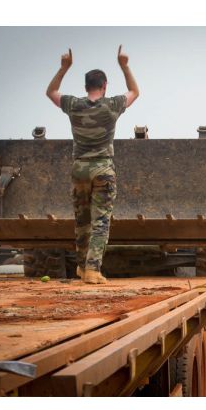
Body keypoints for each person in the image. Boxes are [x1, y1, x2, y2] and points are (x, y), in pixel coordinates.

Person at [46, 46, 139, 284]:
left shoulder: (73, 105)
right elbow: (134, 91)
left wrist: (64, 67)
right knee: (100, 222)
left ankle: (80, 266)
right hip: (102, 170)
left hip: (79, 169)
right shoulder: (112, 105)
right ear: (104, 86)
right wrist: (124, 65)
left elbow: (51, 91)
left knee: (81, 221)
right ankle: (92, 270)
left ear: (86, 87)